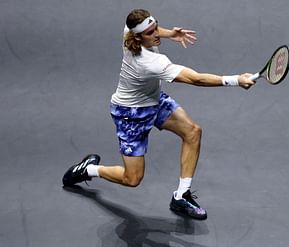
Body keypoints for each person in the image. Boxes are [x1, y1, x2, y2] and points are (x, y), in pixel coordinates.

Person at [62, 8, 255, 220]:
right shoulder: (150, 62)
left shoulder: (130, 29)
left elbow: (150, 29)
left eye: (156, 28)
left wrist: (170, 33)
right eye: (151, 33)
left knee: (192, 132)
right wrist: (236, 80)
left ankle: (181, 195)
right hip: (130, 115)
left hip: (153, 100)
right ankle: (89, 170)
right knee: (132, 179)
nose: (156, 34)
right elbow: (196, 79)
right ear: (137, 37)